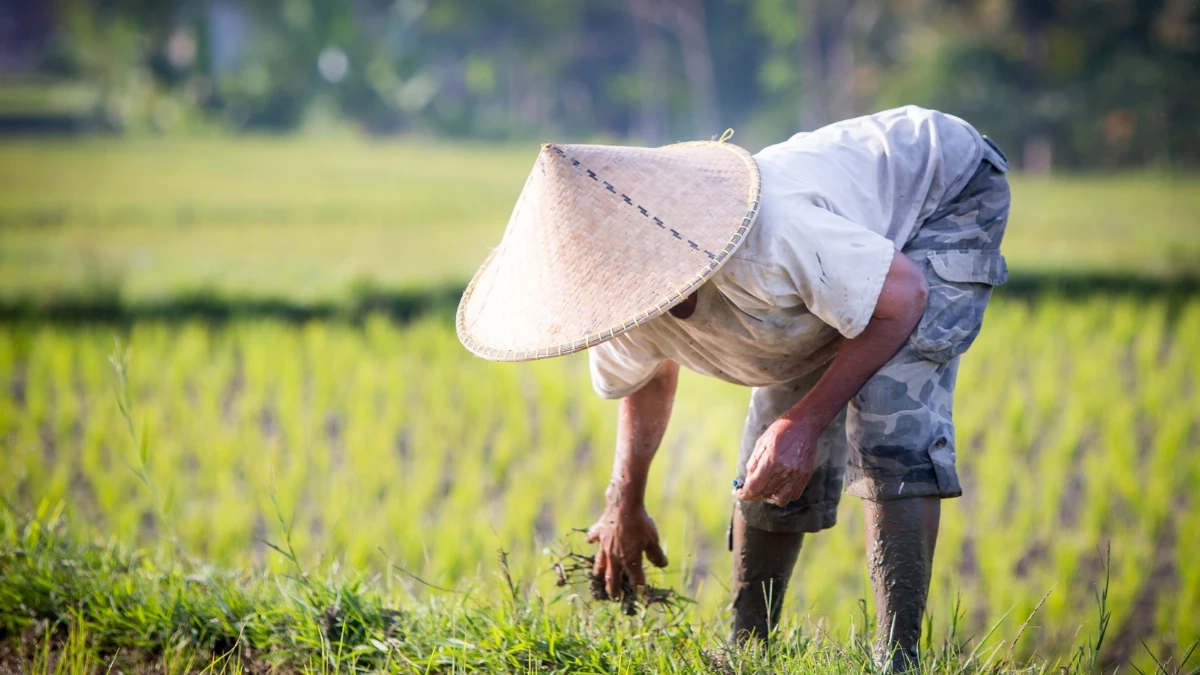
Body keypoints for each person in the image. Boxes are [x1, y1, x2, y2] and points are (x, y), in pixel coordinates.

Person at [456, 105, 1010, 672]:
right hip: (835, 258)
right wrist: (624, 501)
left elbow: (901, 298)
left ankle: (898, 660)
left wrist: (809, 419)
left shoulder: (767, 243)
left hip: (945, 192)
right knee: (768, 442)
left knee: (891, 417)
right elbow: (643, 381)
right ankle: (747, 653)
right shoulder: (619, 301)